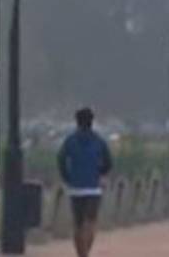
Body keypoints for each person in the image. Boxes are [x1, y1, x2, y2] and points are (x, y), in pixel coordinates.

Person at [57, 107, 113, 257]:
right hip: (93, 187)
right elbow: (108, 162)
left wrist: (67, 177)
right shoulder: (99, 141)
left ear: (77, 122)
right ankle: (85, 252)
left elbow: (61, 159)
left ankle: (80, 253)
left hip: (75, 187)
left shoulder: (70, 141)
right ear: (91, 122)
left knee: (78, 223)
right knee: (90, 222)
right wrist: (100, 173)